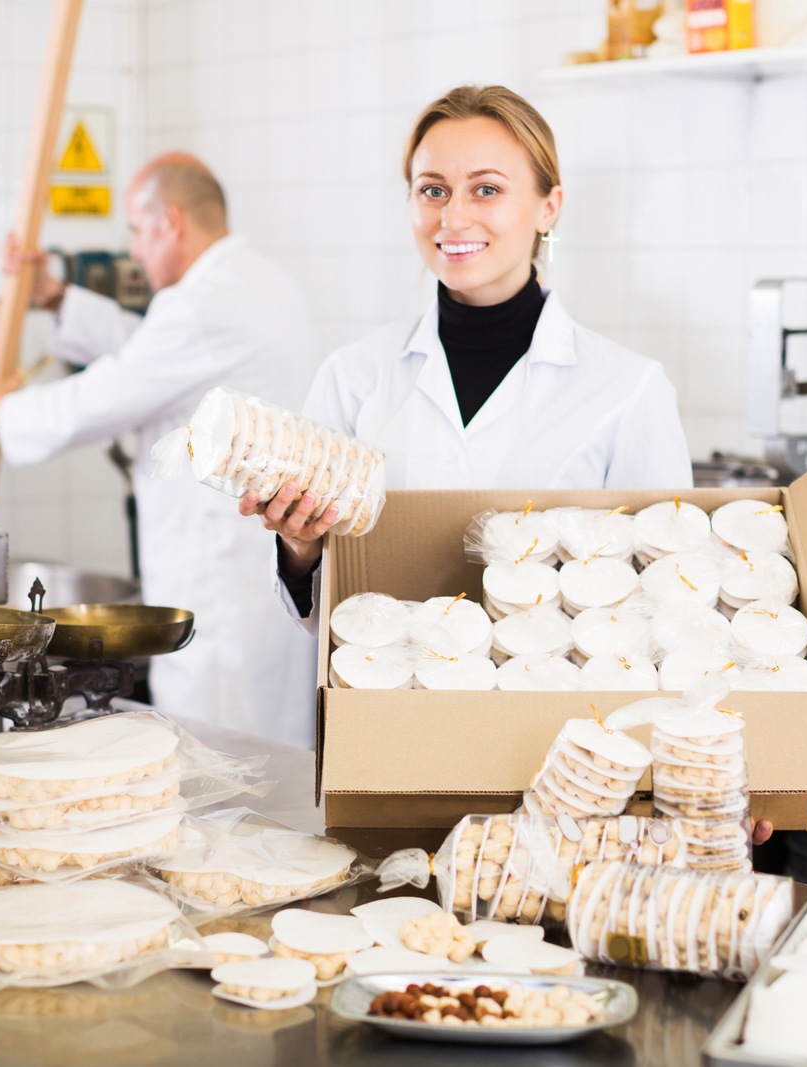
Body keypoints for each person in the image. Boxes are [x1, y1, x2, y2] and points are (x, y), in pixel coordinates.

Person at [237, 86, 773, 843]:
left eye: (486, 189)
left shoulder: (625, 387)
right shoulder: (356, 377)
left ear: (549, 206)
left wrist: (715, 767)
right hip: (395, 752)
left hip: (571, 769)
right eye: (433, 191)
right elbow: (329, 611)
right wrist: (298, 547)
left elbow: (677, 607)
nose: (453, 218)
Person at [0, 152, 319, 748]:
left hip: (217, 587)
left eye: (137, 230)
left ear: (171, 222)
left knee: (221, 762)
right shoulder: (256, 283)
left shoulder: (201, 306)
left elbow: (106, 395)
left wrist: (4, 409)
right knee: (267, 751)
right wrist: (58, 298)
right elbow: (150, 355)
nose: (134, 250)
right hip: (255, 578)